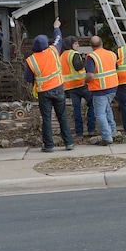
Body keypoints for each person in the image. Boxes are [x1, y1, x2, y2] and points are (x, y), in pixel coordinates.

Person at [24, 17, 75, 152]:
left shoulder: (31, 60)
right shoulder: (53, 50)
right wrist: (56, 27)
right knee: (62, 116)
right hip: (58, 89)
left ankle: (49, 145)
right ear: (46, 44)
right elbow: (58, 38)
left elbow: (28, 78)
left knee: (46, 119)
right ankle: (69, 143)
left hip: (43, 93)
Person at [84, 35, 119, 145]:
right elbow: (116, 68)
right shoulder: (112, 54)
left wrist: (84, 81)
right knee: (107, 109)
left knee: (100, 114)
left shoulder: (92, 57)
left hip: (100, 89)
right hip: (113, 87)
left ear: (91, 46)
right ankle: (113, 131)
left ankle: (107, 137)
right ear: (102, 44)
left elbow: (90, 75)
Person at [61, 35, 96, 137]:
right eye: (76, 43)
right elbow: (78, 66)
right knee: (92, 104)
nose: (78, 45)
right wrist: (85, 60)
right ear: (71, 45)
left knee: (76, 110)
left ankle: (79, 132)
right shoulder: (74, 54)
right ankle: (91, 129)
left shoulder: (62, 56)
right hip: (82, 84)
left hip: (70, 87)